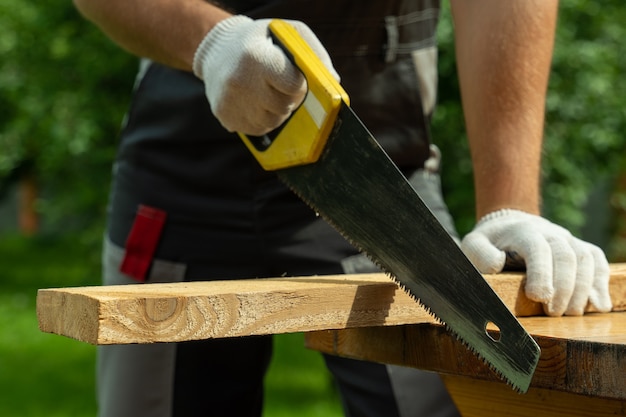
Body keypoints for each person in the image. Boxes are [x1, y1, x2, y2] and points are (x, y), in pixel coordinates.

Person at [71, 0, 612, 416]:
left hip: (383, 171)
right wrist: (209, 42)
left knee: (452, 395)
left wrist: (509, 204)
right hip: (180, 173)